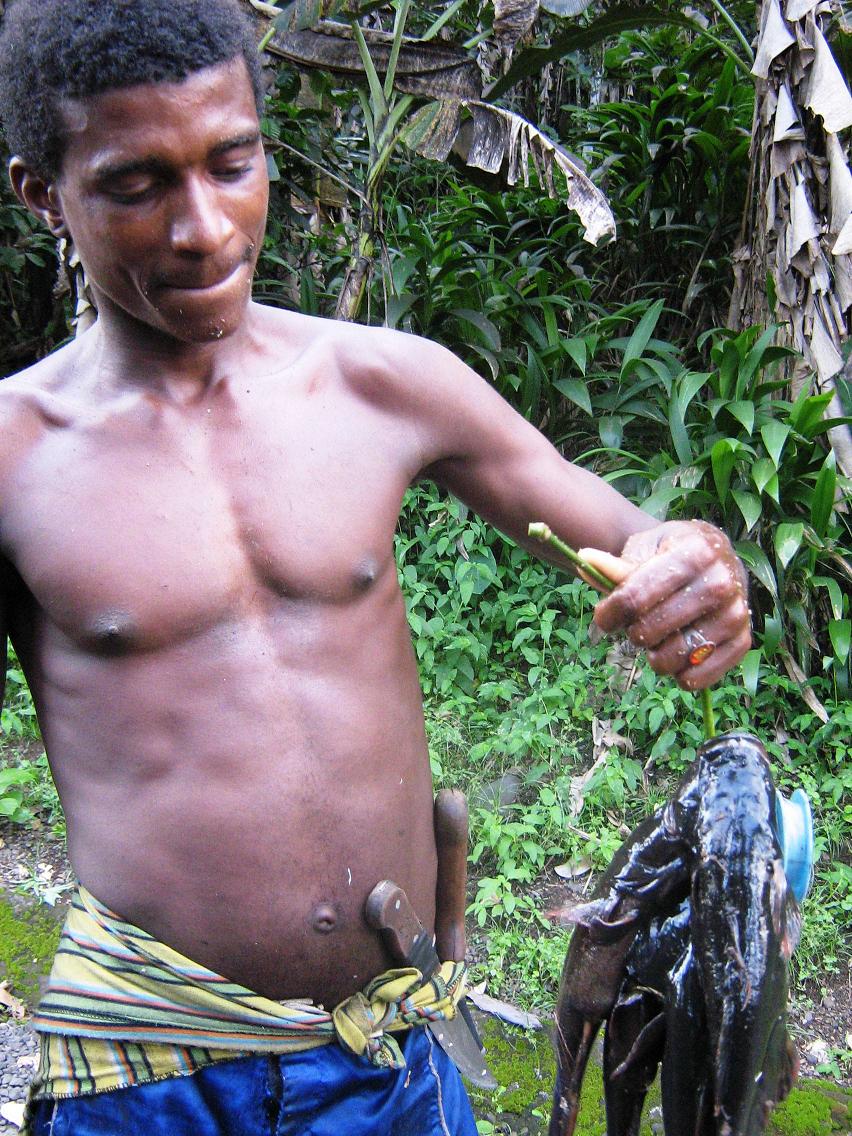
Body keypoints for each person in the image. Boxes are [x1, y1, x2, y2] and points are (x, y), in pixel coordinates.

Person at [0, 0, 751, 1132]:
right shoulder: (17, 460)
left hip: (392, 1056)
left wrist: (696, 567)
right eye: (136, 185)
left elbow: (631, 530)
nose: (205, 227)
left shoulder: (384, 384)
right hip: (151, 1076)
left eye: (232, 163)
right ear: (44, 195)